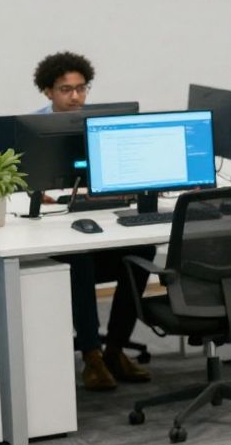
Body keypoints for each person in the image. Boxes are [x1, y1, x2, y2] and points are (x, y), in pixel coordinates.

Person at [32, 51, 155, 391]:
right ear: (47, 92)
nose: (75, 97)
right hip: (55, 234)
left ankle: (115, 349)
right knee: (79, 259)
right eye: (65, 90)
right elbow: (18, 185)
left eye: (81, 88)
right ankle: (91, 356)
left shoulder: (104, 125)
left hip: (102, 218)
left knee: (141, 251)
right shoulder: (31, 127)